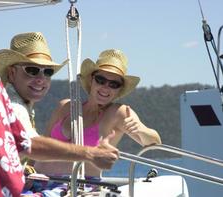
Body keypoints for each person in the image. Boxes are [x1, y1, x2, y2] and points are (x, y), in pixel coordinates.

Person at [0, 1, 118, 196]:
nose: (40, 79)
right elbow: (28, 143)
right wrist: (90, 153)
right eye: (32, 70)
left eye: (47, 72)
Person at [35, 49, 162, 177]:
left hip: (77, 187)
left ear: (119, 89)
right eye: (101, 80)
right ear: (91, 80)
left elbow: (154, 144)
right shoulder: (66, 106)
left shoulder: (117, 113)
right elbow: (41, 145)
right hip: (37, 180)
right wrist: (27, 170)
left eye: (114, 84)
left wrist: (140, 130)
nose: (105, 87)